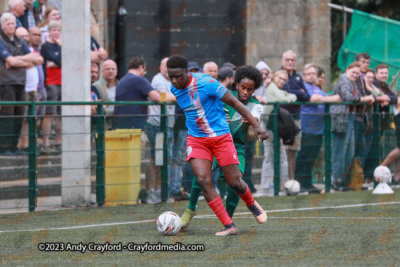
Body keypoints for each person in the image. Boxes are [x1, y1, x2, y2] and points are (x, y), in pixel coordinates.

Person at [167, 55, 268, 236]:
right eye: (171, 76)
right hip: (197, 140)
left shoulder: (207, 83)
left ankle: (251, 204)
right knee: (203, 180)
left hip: (221, 138)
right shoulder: (174, 90)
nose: (174, 81)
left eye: (178, 76)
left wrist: (256, 125)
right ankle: (229, 225)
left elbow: (235, 102)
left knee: (234, 182)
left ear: (187, 73)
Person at [294, 64, 341, 193]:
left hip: (319, 129)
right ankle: (300, 183)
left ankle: (308, 183)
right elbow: (315, 99)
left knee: (312, 156)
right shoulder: (302, 87)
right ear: (303, 76)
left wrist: (328, 98)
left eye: (314, 74)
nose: (311, 76)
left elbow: (323, 97)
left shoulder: (316, 88)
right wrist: (331, 98)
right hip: (307, 128)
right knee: (304, 156)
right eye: (308, 74)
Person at [0, 13, 40, 154]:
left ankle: (13, 146)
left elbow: (36, 58)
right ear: (2, 26)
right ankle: (4, 148)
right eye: (7, 24)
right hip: (6, 82)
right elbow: (9, 61)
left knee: (18, 115)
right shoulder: (0, 40)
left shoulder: (19, 40)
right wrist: (22, 60)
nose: (11, 26)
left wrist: (17, 59)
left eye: (12, 23)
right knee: (7, 115)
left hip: (20, 82)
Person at [331, 63, 375, 190]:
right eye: (353, 72)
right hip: (342, 119)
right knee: (340, 152)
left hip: (351, 118)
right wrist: (364, 99)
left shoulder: (353, 82)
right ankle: (336, 182)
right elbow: (348, 96)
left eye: (357, 73)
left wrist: (364, 98)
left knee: (349, 153)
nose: (355, 75)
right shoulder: (344, 80)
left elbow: (357, 96)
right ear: (347, 70)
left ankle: (345, 181)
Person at [145, 57, 178, 203]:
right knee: (156, 159)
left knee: (164, 159)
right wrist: (181, 96)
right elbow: (164, 97)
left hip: (168, 125)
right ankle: (149, 192)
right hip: (158, 125)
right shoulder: (158, 80)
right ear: (160, 68)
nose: (168, 68)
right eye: (166, 65)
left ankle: (159, 191)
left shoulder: (173, 81)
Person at [260, 70, 296, 194]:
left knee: (281, 156)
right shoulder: (272, 87)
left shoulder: (277, 89)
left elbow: (292, 96)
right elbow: (283, 98)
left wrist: (288, 97)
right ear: (275, 77)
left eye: (284, 80)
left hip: (274, 125)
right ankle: (267, 186)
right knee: (270, 156)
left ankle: (282, 185)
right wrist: (288, 97)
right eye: (279, 78)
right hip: (267, 125)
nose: (281, 81)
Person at [280, 50, 310, 181]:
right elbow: (285, 92)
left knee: (294, 150)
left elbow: (307, 96)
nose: (290, 62)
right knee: (283, 151)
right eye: (287, 60)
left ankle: (292, 180)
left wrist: (296, 93)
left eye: (292, 60)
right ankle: (282, 181)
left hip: (296, 118)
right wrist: (299, 92)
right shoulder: (280, 75)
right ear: (283, 61)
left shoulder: (298, 77)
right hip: (283, 119)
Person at [112, 56, 160, 130]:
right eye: (144, 70)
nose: (144, 73)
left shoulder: (121, 80)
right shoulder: (139, 79)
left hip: (120, 122)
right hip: (134, 124)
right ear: (141, 68)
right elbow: (156, 97)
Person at [15, 26, 43, 151]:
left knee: (30, 119)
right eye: (22, 36)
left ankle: (27, 144)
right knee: (22, 119)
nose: (25, 38)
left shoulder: (30, 49)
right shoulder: (14, 49)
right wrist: (30, 61)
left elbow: (40, 60)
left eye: (26, 36)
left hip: (34, 89)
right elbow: (15, 64)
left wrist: (24, 61)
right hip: (23, 89)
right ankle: (19, 144)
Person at [40, 20, 62, 154]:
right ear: (49, 32)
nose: (56, 32)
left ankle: (59, 142)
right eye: (54, 30)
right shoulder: (46, 46)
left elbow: (69, 59)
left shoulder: (62, 46)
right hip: (51, 83)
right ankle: (46, 143)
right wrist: (59, 62)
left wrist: (58, 63)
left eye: (58, 30)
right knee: (50, 114)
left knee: (62, 114)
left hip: (64, 82)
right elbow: (60, 60)